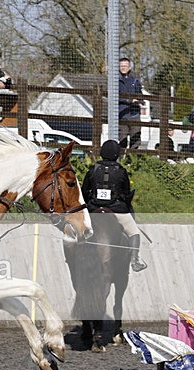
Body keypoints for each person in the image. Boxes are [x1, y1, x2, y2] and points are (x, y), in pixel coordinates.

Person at [81, 140, 147, 272]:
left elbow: (84, 191)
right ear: (116, 154)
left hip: (94, 208)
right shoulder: (121, 171)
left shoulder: (93, 169)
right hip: (116, 208)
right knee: (134, 232)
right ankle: (135, 260)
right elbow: (127, 193)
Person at [118, 57, 143, 150]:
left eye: (125, 66)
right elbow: (115, 96)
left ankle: (132, 160)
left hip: (134, 114)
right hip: (122, 114)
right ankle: (121, 160)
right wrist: (129, 101)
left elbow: (140, 95)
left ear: (129, 67)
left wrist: (140, 102)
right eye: (121, 66)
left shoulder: (135, 81)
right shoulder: (116, 81)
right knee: (122, 139)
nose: (123, 68)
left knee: (135, 138)